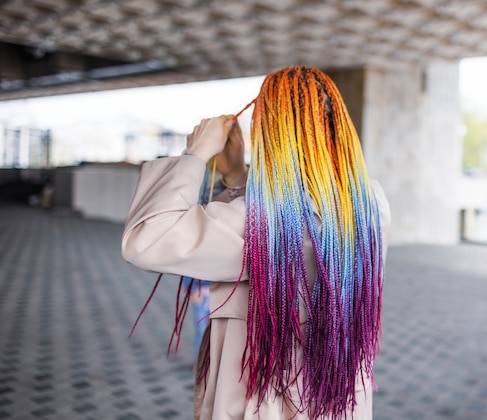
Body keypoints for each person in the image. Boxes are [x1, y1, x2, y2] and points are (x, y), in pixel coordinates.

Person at [121, 66, 391, 420]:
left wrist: (195, 156)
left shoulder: (258, 223)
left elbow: (148, 237)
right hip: (338, 397)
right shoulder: (370, 203)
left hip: (261, 398)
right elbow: (295, 206)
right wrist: (236, 177)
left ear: (271, 133)